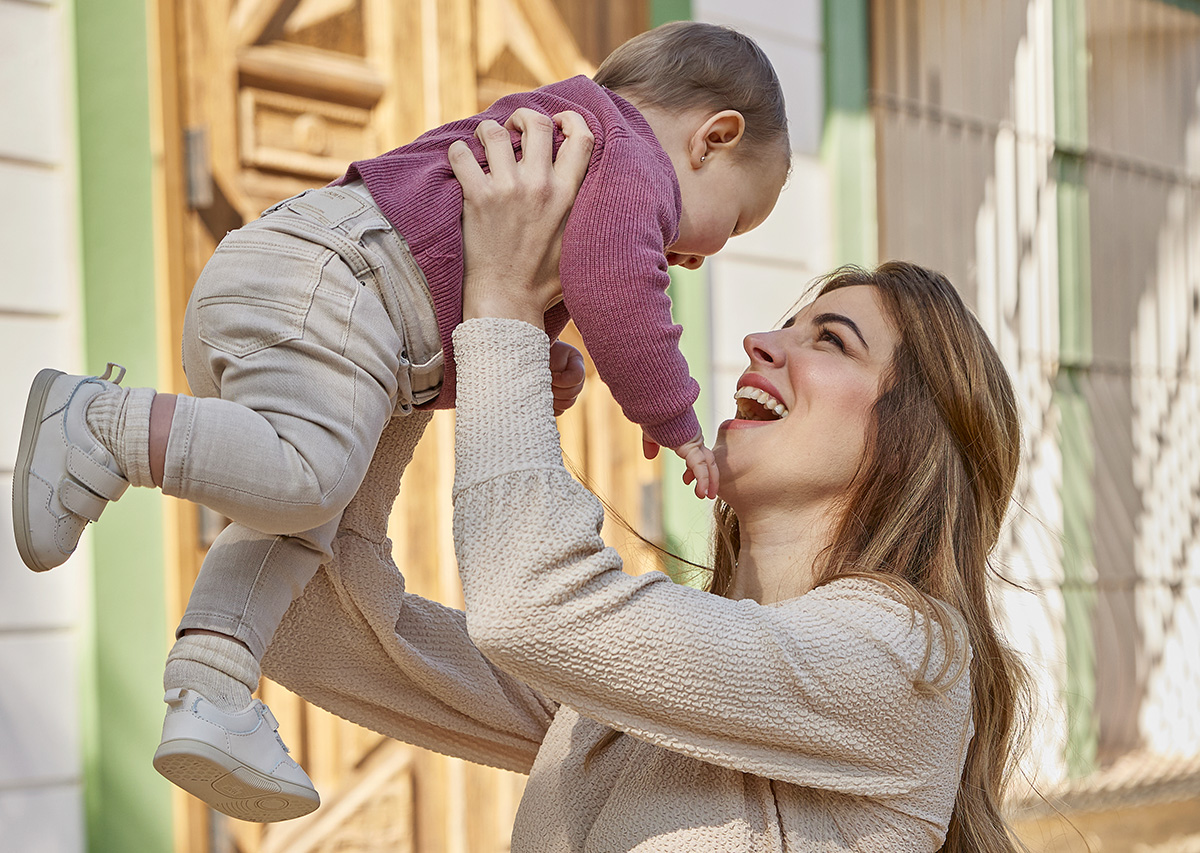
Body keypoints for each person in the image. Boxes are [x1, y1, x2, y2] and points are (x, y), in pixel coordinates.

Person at [11, 22, 789, 820]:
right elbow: (624, 289)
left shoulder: (580, 148)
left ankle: (211, 685)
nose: (699, 258)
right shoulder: (629, 158)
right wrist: (675, 416)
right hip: (335, 283)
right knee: (307, 478)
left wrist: (524, 359)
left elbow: (482, 286)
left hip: (322, 296)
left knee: (309, 519)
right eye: (733, 226)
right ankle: (103, 425)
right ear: (713, 139)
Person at [259, 114, 1029, 851]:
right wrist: (409, 333)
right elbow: (308, 623)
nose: (761, 342)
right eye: (786, 325)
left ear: (910, 439)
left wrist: (504, 308)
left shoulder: (906, 659)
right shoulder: (629, 688)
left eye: (830, 339)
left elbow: (532, 607)